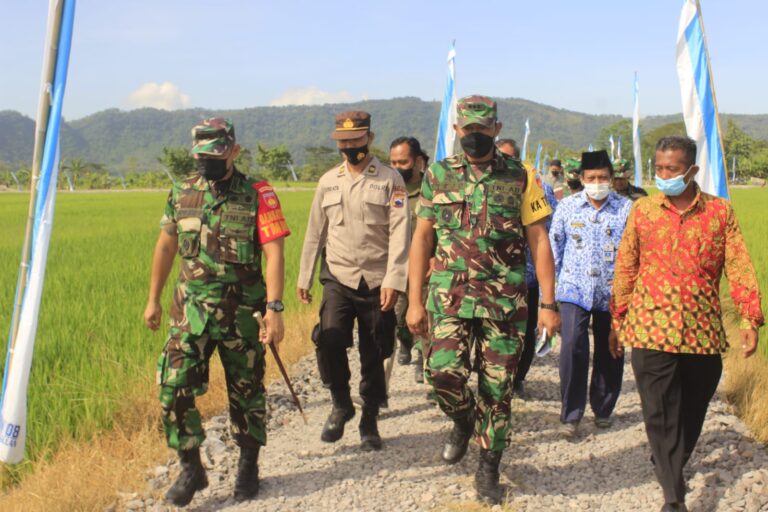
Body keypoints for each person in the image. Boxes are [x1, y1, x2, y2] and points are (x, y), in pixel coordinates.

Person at [407, 96, 559, 504]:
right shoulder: (438, 174)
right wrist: (414, 300)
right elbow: (422, 238)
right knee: (441, 374)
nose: (474, 136)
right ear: (457, 130)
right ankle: (462, 419)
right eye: (468, 129)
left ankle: (488, 468)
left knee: (498, 389)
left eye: (482, 129)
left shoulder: (521, 175)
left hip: (504, 301)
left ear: (496, 128)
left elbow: (539, 239)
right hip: (449, 297)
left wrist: (548, 304)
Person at [609, 136, 764, 512]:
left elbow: (739, 265)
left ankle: (671, 460)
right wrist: (618, 318)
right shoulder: (643, 210)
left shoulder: (719, 212)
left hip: (701, 330)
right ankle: (673, 496)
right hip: (650, 326)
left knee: (693, 408)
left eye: (672, 169)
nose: (664, 175)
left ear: (692, 170)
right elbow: (627, 264)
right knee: (658, 410)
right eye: (659, 168)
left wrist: (749, 317)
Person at [143, 118, 290, 506]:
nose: (207, 162)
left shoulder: (257, 193)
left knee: (247, 391)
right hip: (190, 312)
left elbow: (274, 252)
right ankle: (191, 466)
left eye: (216, 155)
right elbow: (166, 245)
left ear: (234, 152)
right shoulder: (182, 192)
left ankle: (248, 463)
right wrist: (153, 298)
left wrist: (275, 308)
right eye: (201, 156)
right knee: (173, 384)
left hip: (243, 314)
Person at [297, 111, 410, 451]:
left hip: (376, 278)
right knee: (328, 338)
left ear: (369, 138)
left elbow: (400, 232)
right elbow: (315, 232)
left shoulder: (390, 180)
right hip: (338, 273)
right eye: (343, 141)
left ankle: (369, 417)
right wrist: (304, 277)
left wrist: (395, 279)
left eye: (355, 139)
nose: (349, 146)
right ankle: (341, 403)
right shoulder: (327, 181)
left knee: (374, 349)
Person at [549, 150, 632, 438]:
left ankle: (604, 407)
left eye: (603, 178)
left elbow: (634, 251)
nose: (598, 183)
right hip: (574, 289)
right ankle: (571, 414)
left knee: (611, 349)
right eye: (592, 178)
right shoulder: (567, 207)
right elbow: (555, 247)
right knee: (573, 347)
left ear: (612, 178)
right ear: (582, 178)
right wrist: (552, 293)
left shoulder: (626, 209)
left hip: (612, 291)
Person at [496, 138, 558, 399]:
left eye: (509, 157)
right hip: (495, 276)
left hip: (528, 274)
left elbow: (548, 230)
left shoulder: (536, 185)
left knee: (526, 331)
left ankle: (518, 377)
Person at [389, 136, 431, 382]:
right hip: (396, 269)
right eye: (393, 162)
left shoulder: (431, 189)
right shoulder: (388, 190)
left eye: (402, 162)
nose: (397, 167)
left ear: (417, 161)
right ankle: (405, 342)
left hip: (425, 268)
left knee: (425, 318)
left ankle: (424, 362)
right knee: (396, 319)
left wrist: (435, 258)